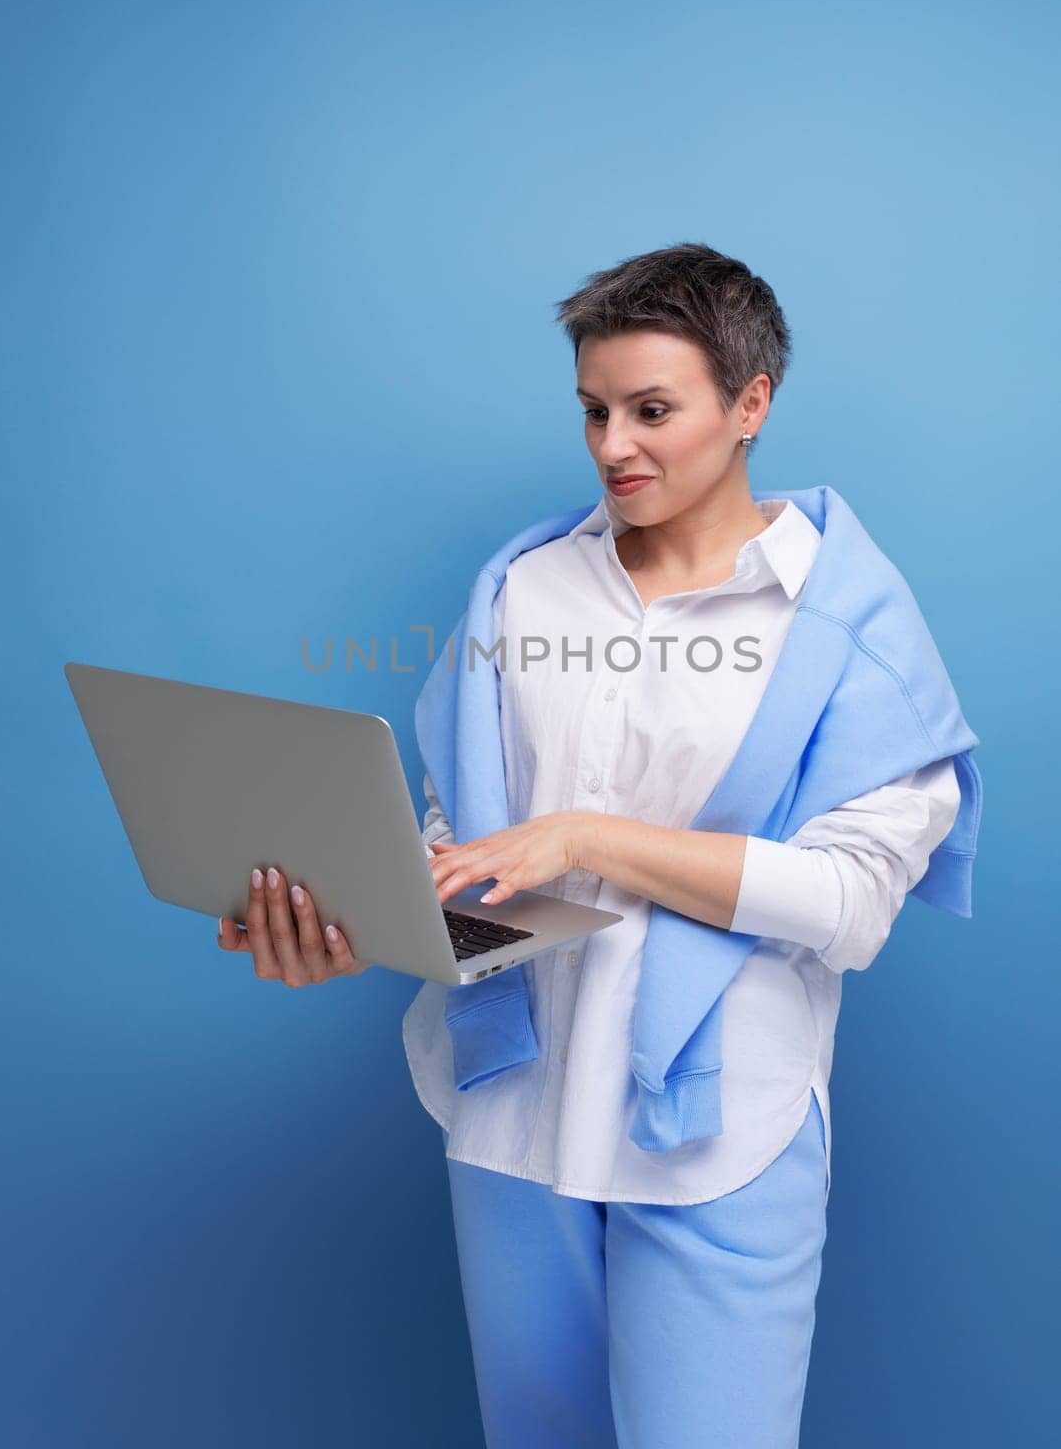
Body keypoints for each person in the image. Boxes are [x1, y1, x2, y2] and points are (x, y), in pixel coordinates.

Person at [216, 243, 982, 1449]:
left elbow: (848, 904)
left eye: (650, 410)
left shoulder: (842, 623)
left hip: (720, 1126)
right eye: (592, 410)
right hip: (511, 1104)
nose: (611, 444)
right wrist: (357, 927)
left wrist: (586, 837)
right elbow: (459, 843)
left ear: (749, 405)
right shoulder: (520, 594)